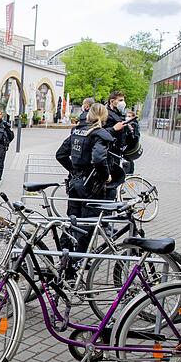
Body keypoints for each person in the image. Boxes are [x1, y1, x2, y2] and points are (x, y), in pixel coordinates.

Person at [55, 103, 114, 254]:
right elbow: (99, 158)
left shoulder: (78, 131)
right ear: (104, 116)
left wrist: (74, 170)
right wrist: (106, 175)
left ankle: (65, 255)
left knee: (72, 220)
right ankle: (79, 259)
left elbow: (60, 154)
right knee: (87, 223)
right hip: (91, 185)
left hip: (75, 183)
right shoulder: (99, 134)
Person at [102, 91, 127, 199]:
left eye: (123, 100)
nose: (123, 103)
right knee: (109, 181)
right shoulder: (106, 114)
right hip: (109, 152)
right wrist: (114, 129)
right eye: (120, 100)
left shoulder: (119, 113)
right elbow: (99, 132)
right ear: (112, 101)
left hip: (116, 151)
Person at [121, 110, 140, 175]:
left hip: (129, 149)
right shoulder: (125, 124)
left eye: (129, 116)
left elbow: (136, 137)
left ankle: (129, 175)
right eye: (126, 116)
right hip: (124, 147)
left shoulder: (134, 125)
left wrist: (131, 131)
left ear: (133, 117)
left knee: (129, 161)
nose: (127, 117)